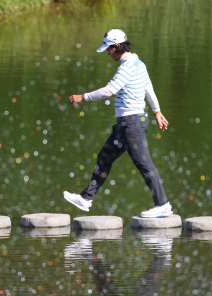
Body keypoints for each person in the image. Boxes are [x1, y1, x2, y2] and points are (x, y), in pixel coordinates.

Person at [65, 29, 172, 218]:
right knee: (105, 157)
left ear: (116, 47)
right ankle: (86, 199)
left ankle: (162, 204)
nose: (107, 53)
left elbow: (109, 91)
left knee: (144, 164)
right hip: (128, 125)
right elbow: (149, 89)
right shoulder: (139, 64)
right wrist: (157, 111)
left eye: (108, 49)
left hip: (132, 125)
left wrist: (82, 97)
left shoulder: (127, 67)